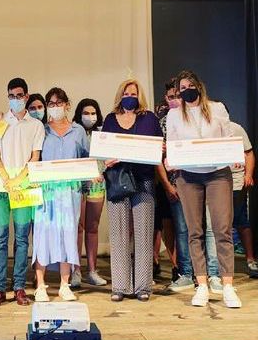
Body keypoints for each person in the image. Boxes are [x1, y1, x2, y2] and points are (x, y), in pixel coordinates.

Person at [166, 71, 242, 309]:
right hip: (188, 176)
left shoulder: (217, 109)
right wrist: (171, 160)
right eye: (182, 88)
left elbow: (228, 137)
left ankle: (227, 285)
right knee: (194, 231)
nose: (187, 90)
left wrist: (234, 156)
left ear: (199, 86)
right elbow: (172, 144)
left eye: (190, 85)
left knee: (222, 229)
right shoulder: (174, 114)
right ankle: (201, 285)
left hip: (217, 173)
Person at [102, 79, 163, 302]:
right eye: (126, 93)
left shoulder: (149, 119)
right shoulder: (110, 119)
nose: (130, 97)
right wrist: (106, 160)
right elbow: (103, 149)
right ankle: (120, 286)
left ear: (139, 96)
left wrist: (160, 148)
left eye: (134, 94)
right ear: (120, 96)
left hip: (143, 179)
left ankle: (143, 287)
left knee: (144, 233)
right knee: (118, 233)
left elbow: (159, 146)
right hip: (118, 180)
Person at [0, 78, 45, 308]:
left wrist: (18, 179)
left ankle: (19, 286)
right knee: (0, 237)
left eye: (19, 95)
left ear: (26, 96)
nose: (16, 99)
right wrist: (6, 179)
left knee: (22, 238)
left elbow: (35, 156)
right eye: (11, 96)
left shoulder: (36, 125)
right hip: (0, 187)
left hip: (25, 186)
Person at [31, 88, 89, 302]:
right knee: (42, 236)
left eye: (59, 103)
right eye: (51, 104)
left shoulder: (78, 131)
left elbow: (86, 159)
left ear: (67, 105)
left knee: (68, 236)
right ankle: (40, 285)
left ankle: (65, 284)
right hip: (46, 192)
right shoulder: (42, 130)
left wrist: (92, 176)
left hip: (70, 192)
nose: (55, 107)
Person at [157, 80, 196, 293]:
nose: (175, 100)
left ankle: (204, 272)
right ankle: (185, 272)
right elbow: (157, 158)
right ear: (166, 99)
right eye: (171, 97)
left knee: (199, 229)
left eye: (178, 96)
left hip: (197, 181)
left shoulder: (196, 117)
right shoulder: (162, 123)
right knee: (181, 229)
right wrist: (167, 185)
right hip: (174, 184)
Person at [71, 98, 107, 287]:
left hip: (97, 184)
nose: (90, 116)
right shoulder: (74, 132)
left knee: (92, 227)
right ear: (79, 114)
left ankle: (92, 270)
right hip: (78, 184)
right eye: (86, 113)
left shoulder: (102, 134)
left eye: (93, 113)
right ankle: (75, 270)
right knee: (78, 227)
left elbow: (107, 158)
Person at [227, 116, 258, 278]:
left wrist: (248, 174)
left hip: (236, 181)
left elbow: (249, 153)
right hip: (216, 182)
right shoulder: (208, 130)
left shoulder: (236, 129)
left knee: (241, 220)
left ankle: (250, 260)